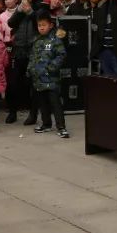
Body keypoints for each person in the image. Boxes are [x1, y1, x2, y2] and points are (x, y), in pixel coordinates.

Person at [29, 10, 68, 138]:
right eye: (39, 25)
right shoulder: (36, 40)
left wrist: (51, 68)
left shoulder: (55, 40)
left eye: (43, 25)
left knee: (55, 103)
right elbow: (33, 57)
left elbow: (61, 55)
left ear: (50, 25)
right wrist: (30, 69)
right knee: (43, 103)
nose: (41, 28)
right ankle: (46, 124)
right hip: (38, 79)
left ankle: (61, 127)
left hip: (51, 79)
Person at [8, 0, 40, 125]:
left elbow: (41, 24)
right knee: (13, 84)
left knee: (33, 85)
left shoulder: (39, 8)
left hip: (33, 50)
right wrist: (21, 11)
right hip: (19, 49)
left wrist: (30, 12)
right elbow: (11, 23)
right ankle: (12, 112)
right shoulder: (18, 9)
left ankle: (32, 115)